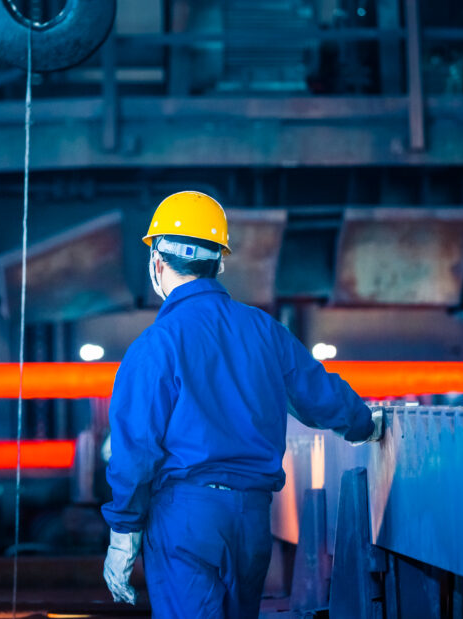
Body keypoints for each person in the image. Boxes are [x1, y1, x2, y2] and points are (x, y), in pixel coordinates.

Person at [101, 191, 384, 618]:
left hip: (186, 518)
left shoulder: (156, 346)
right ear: (219, 262)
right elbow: (318, 394)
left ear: (158, 261)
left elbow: (135, 452)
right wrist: (365, 423)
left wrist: (123, 531)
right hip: (252, 520)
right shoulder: (262, 330)